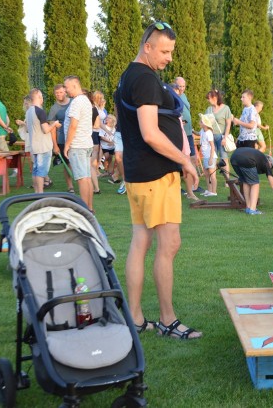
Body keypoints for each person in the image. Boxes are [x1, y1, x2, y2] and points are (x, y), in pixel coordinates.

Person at [114, 21, 201, 339]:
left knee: (141, 243)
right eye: (164, 51)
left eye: (171, 52)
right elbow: (151, 134)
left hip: (139, 176)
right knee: (169, 245)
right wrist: (185, 161)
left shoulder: (128, 75)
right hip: (155, 174)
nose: (168, 58)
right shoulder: (146, 79)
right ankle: (168, 320)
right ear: (147, 46)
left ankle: (135, 319)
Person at [63, 75, 95, 213]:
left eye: (66, 87)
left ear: (75, 86)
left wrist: (67, 144)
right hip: (86, 143)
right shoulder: (86, 100)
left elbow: (73, 125)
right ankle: (89, 208)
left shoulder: (77, 102)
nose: (65, 90)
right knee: (87, 178)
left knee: (82, 179)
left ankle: (85, 210)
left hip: (78, 145)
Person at [26, 88, 60, 193]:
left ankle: (37, 193)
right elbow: (46, 130)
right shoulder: (40, 111)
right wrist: (54, 124)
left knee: (36, 170)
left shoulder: (28, 111)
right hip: (43, 146)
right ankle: (40, 194)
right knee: (41, 172)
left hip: (34, 146)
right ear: (39, 98)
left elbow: (28, 128)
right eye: (41, 97)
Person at [229, 147, 273, 215]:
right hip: (247, 159)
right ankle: (252, 209)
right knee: (255, 184)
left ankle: (248, 207)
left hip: (234, 158)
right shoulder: (267, 163)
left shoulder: (259, 157)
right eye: (271, 167)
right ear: (270, 163)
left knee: (245, 181)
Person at [48, 83, 74, 192]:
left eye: (61, 92)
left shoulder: (73, 103)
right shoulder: (54, 108)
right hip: (62, 139)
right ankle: (70, 186)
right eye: (57, 93)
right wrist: (55, 145)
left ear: (65, 92)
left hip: (76, 138)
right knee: (67, 163)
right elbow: (52, 128)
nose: (59, 95)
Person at [205, 89, 233, 176]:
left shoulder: (225, 108)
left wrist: (225, 137)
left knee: (224, 158)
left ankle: (227, 180)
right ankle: (212, 177)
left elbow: (228, 124)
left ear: (215, 98)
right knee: (212, 157)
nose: (208, 100)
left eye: (209, 98)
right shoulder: (209, 109)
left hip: (221, 137)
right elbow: (205, 122)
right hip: (211, 137)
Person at [90, 90, 107, 195]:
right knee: (95, 153)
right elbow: (97, 123)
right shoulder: (94, 108)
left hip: (97, 132)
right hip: (94, 132)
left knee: (97, 153)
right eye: (100, 98)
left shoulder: (99, 107)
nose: (102, 100)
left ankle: (95, 169)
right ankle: (94, 169)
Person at [198, 113, 218, 197]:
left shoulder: (209, 133)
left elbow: (212, 146)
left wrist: (210, 158)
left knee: (212, 174)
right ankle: (209, 190)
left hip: (210, 156)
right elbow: (199, 134)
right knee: (206, 174)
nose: (199, 122)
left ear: (205, 124)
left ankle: (214, 191)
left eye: (201, 121)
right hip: (205, 155)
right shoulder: (202, 131)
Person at [99, 114, 117, 179]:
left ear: (112, 120)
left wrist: (113, 142)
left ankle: (108, 171)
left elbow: (115, 137)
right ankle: (105, 169)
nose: (106, 119)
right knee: (106, 156)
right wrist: (109, 142)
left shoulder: (114, 129)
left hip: (111, 147)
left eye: (109, 118)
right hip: (105, 146)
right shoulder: (104, 127)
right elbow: (101, 137)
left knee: (110, 158)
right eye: (106, 118)